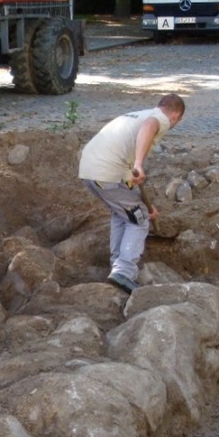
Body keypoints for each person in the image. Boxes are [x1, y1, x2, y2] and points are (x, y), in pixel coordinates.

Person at [78, 93, 186, 293]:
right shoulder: (158, 119)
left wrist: (147, 205)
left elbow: (128, 181)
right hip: (106, 173)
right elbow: (150, 127)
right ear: (175, 117)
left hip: (90, 171)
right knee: (139, 220)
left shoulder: (135, 116)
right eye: (176, 122)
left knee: (123, 214)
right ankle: (124, 272)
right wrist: (139, 163)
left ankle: (117, 264)